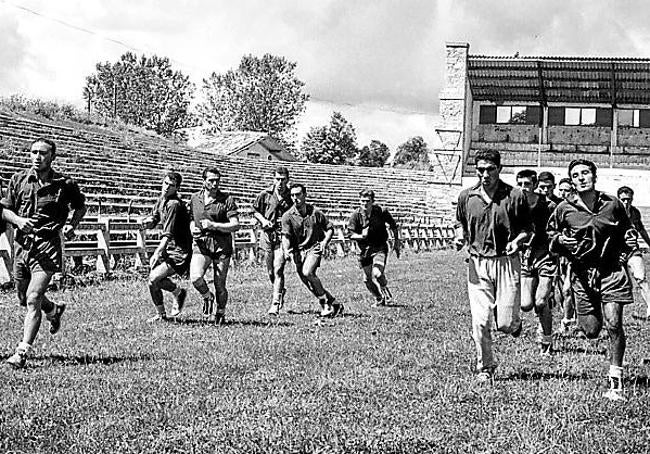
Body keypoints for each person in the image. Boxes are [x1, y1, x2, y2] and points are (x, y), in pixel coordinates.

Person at [547, 159, 638, 401]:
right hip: (582, 274)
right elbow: (550, 236)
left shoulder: (612, 204)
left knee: (614, 324)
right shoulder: (564, 209)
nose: (581, 178)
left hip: (611, 272)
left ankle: (615, 381)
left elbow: (628, 230)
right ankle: (585, 317)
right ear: (571, 181)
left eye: (585, 173)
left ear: (594, 176)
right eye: (575, 175)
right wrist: (560, 241)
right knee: (591, 330)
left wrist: (628, 242)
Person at [2, 138, 86, 368]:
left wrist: (72, 226)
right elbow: (5, 210)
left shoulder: (65, 184)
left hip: (47, 246)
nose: (37, 157)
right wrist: (18, 220)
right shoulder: (18, 180)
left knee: (33, 298)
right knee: (22, 298)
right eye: (33, 152)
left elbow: (80, 206)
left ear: (52, 157)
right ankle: (53, 309)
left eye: (43, 153)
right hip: (22, 247)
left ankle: (21, 352)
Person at [455, 150, 531, 381]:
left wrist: (517, 242)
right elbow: (460, 222)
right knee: (481, 320)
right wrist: (460, 237)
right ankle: (485, 367)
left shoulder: (515, 195)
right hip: (478, 263)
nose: (485, 174)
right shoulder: (467, 196)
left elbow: (528, 229)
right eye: (480, 170)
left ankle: (514, 323)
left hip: (507, 261)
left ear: (499, 168)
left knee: (505, 324)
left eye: (490, 169)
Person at [281, 183, 341, 317]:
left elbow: (330, 229)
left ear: (305, 195)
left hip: (314, 247)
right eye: (292, 195)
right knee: (307, 282)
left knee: (308, 272)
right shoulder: (287, 216)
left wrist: (325, 242)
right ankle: (334, 303)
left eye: (298, 194)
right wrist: (286, 250)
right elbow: (286, 236)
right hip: (298, 251)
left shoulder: (315, 212)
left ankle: (325, 305)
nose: (295, 198)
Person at [189, 167, 239, 324]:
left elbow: (235, 225)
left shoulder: (227, 200)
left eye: (217, 180)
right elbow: (191, 218)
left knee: (220, 285)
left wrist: (214, 225)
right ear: (203, 181)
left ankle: (220, 313)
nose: (215, 183)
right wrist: (192, 229)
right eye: (211, 180)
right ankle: (207, 297)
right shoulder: (194, 198)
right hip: (201, 244)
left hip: (221, 246)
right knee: (196, 277)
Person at [140, 172, 192, 322]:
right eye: (165, 183)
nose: (166, 187)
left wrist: (158, 251)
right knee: (154, 280)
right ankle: (164, 311)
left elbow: (168, 232)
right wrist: (148, 221)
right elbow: (155, 218)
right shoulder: (162, 199)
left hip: (179, 250)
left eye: (171, 186)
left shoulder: (174, 204)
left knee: (153, 278)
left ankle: (177, 293)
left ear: (177, 188)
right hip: (169, 247)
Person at [515, 169, 557, 355]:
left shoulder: (547, 206)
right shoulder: (514, 205)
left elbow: (558, 228)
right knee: (525, 305)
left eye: (527, 184)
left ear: (534, 186)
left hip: (546, 256)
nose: (524, 188)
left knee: (540, 302)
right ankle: (548, 300)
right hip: (526, 257)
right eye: (520, 184)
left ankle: (546, 342)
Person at [347, 189, 400, 307]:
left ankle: (385, 290)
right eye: (362, 201)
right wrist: (361, 236)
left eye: (367, 201)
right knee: (367, 279)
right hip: (363, 250)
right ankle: (379, 298)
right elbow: (350, 234)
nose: (365, 204)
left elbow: (393, 226)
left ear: (373, 201)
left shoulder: (381, 211)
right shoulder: (356, 215)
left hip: (379, 247)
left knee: (377, 273)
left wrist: (396, 243)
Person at [252, 166, 292, 316]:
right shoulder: (265, 195)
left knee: (278, 268)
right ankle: (280, 290)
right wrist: (263, 220)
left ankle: (275, 303)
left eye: (283, 179)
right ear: (273, 179)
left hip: (283, 236)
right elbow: (255, 211)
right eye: (277, 179)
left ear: (288, 180)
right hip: (267, 235)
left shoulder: (291, 196)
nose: (280, 182)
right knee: (270, 272)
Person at [617, 186, 650, 318]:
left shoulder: (635, 212)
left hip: (633, 251)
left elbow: (641, 230)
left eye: (628, 199)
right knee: (620, 283)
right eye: (623, 199)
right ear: (619, 199)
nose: (626, 202)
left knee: (641, 278)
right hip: (617, 253)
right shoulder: (613, 212)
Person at [556, 177, 576, 331]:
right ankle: (569, 315)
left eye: (566, 190)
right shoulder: (557, 207)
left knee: (567, 289)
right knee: (560, 290)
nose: (563, 193)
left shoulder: (577, 209)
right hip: (557, 256)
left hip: (574, 256)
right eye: (560, 190)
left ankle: (567, 321)